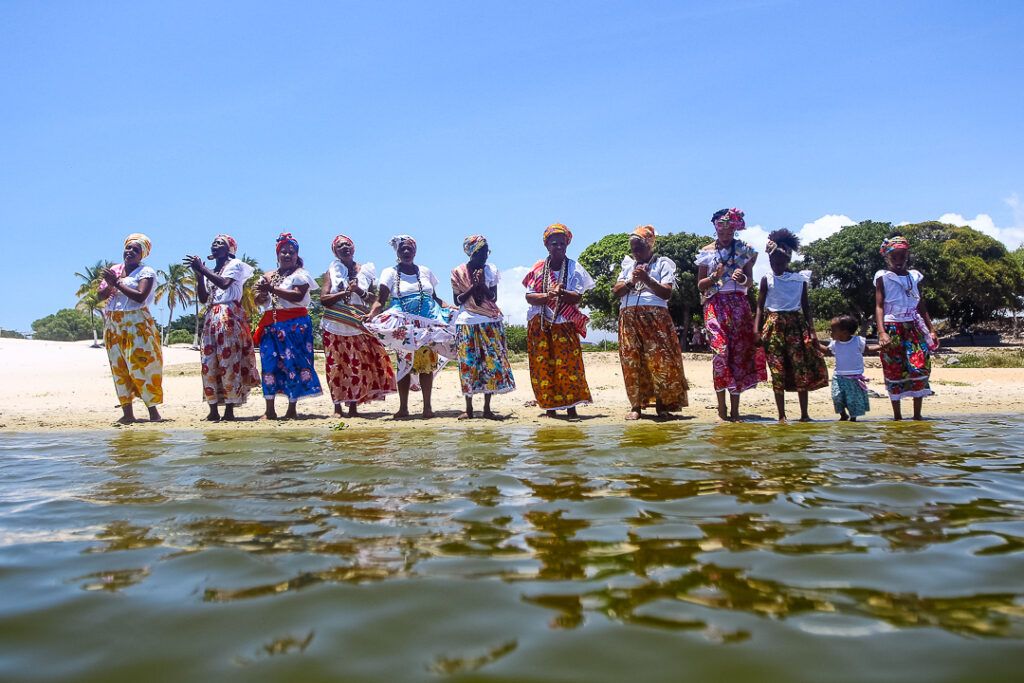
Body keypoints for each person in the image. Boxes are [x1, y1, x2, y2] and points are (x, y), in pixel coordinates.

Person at [365, 235, 456, 419]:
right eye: (402, 249)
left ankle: (427, 408)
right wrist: (371, 315)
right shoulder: (389, 273)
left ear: (415, 250)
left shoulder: (425, 271)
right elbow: (380, 300)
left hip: (427, 324)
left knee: (427, 364)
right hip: (403, 325)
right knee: (404, 362)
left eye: (410, 248)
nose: (406, 252)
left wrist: (451, 308)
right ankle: (403, 408)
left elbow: (435, 299)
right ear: (397, 252)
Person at [695, 208, 767, 420]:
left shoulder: (745, 250)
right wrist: (715, 277)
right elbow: (700, 286)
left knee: (737, 354)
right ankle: (721, 408)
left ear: (735, 228)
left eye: (729, 229)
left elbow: (750, 281)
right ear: (715, 227)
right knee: (720, 353)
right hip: (715, 305)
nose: (725, 233)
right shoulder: (706, 252)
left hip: (738, 305)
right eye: (721, 229)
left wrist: (741, 279)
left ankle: (735, 410)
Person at [612, 225, 688, 420]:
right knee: (631, 360)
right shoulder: (628, 265)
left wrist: (647, 279)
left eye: (640, 248)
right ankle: (636, 406)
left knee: (660, 360)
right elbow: (616, 290)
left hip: (655, 318)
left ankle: (663, 406)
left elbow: (667, 292)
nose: (636, 252)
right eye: (633, 248)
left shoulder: (662, 264)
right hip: (628, 318)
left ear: (650, 246)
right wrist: (631, 282)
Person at [754, 229, 829, 422]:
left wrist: (812, 332)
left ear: (787, 261)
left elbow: (806, 308)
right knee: (777, 370)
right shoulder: (767, 279)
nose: (776, 266)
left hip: (796, 326)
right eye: (772, 262)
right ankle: (781, 415)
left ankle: (804, 414)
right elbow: (760, 307)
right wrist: (757, 330)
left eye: (779, 263)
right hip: (773, 327)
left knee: (799, 368)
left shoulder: (799, 280)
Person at [183, 234, 260, 421]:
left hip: (228, 315)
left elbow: (225, 284)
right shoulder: (212, 271)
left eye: (220, 243)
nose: (215, 245)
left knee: (228, 360)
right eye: (214, 243)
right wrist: (199, 275)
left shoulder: (235, 265)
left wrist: (203, 268)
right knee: (209, 362)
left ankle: (229, 410)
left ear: (229, 250)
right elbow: (203, 298)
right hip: (211, 316)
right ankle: (213, 408)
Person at [320, 234, 396, 417]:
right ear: (335, 252)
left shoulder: (366, 271)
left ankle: (353, 406)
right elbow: (324, 299)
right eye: (340, 246)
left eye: (348, 245)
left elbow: (375, 300)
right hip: (335, 323)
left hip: (357, 323)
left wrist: (358, 291)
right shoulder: (332, 271)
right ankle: (337, 407)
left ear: (353, 248)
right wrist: (344, 293)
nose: (345, 248)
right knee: (336, 365)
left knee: (356, 364)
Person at [523, 223, 594, 418]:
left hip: (565, 324)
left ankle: (571, 407)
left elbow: (577, 297)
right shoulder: (538, 268)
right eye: (554, 243)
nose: (559, 247)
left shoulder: (574, 268)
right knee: (544, 365)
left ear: (567, 245)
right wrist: (549, 295)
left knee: (568, 366)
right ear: (547, 245)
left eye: (562, 244)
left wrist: (560, 293)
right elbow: (529, 296)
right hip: (541, 324)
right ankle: (550, 408)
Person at [252, 232, 323, 419]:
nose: (287, 255)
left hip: (294, 326)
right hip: (271, 325)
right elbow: (260, 299)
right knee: (269, 365)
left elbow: (298, 296)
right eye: (283, 252)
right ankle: (270, 410)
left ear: (297, 255)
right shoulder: (268, 276)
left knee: (293, 364)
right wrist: (262, 295)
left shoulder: (301, 275)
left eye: (291, 252)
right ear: (277, 255)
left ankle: (291, 408)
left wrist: (271, 289)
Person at [97, 233, 163, 424]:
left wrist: (117, 282)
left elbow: (141, 296)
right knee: (119, 368)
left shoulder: (146, 272)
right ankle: (127, 413)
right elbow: (101, 296)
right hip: (114, 325)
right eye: (128, 248)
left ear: (142, 254)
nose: (130, 252)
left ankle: (153, 413)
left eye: (136, 249)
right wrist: (110, 282)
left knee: (141, 366)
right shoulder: (114, 270)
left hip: (137, 324)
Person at [450, 235, 516, 419]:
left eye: (486, 251)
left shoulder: (491, 270)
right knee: (468, 364)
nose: (485, 255)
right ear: (472, 253)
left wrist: (482, 285)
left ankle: (487, 408)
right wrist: (473, 287)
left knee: (491, 363)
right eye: (481, 252)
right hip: (467, 322)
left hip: (489, 321)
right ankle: (469, 409)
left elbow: (493, 298)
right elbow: (458, 300)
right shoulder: (458, 272)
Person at [874, 234, 938, 420]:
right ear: (888, 257)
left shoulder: (914, 277)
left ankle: (917, 416)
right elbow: (879, 306)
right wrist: (882, 332)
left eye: (902, 256)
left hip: (913, 327)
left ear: (907, 256)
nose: (899, 260)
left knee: (919, 366)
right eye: (894, 257)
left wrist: (931, 329)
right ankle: (897, 417)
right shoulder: (882, 277)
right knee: (894, 368)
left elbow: (920, 304)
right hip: (892, 327)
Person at [819, 315, 878, 421]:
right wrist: (815, 344)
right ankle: (843, 415)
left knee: (852, 400)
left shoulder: (858, 341)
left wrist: (881, 347)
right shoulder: (834, 344)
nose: (830, 332)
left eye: (833, 330)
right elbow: (827, 351)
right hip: (838, 376)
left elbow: (868, 349)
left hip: (854, 378)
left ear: (845, 332)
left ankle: (853, 419)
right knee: (837, 396)